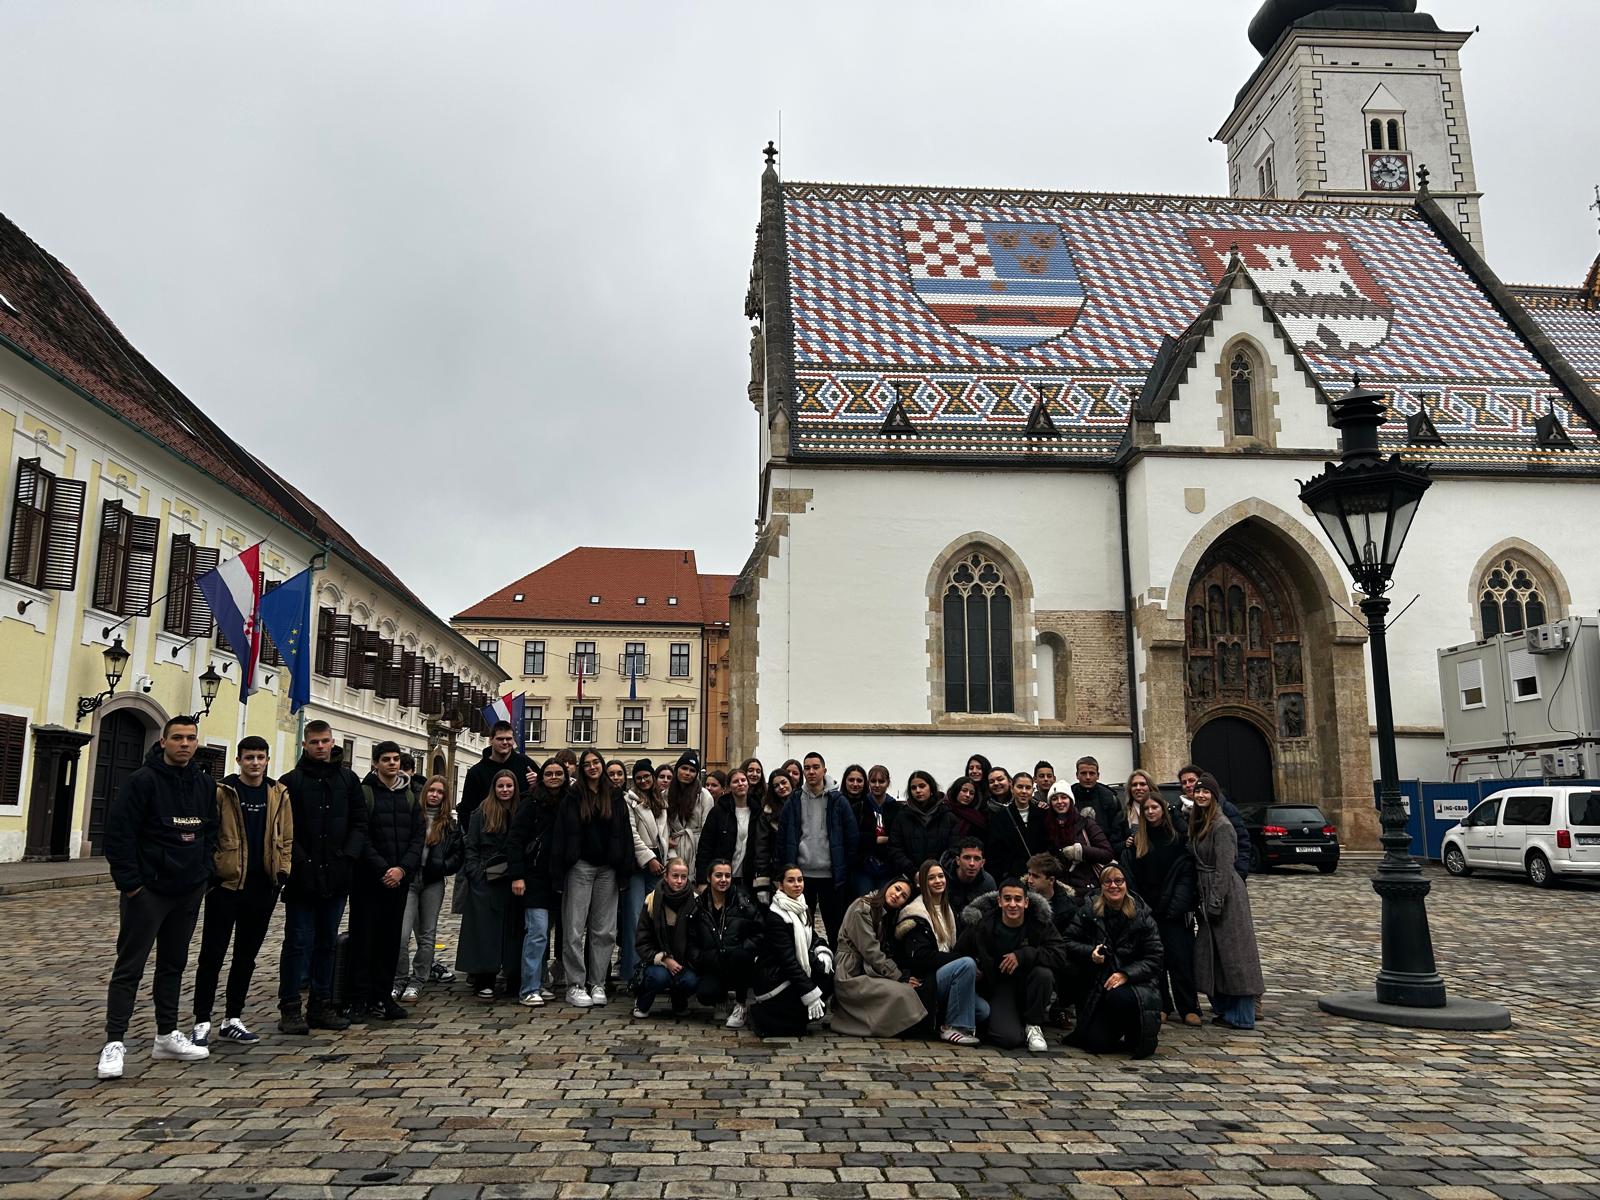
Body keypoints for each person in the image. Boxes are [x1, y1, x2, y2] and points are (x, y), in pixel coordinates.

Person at [98, 716, 219, 1079]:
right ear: (164, 741)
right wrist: (132, 885)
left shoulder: (203, 783)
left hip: (188, 889)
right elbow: (119, 835)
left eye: (191, 738)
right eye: (178, 738)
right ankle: (114, 1042)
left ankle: (166, 1035)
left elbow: (210, 831)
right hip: (148, 891)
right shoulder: (142, 782)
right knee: (129, 967)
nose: (185, 744)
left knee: (173, 964)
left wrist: (204, 875)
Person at [191, 735, 292, 1049]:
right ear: (239, 760)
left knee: (246, 957)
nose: (255, 763)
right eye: (250, 757)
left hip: (263, 886)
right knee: (212, 956)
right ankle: (201, 1020)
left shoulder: (278, 793)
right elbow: (207, 832)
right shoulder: (222, 791)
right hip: (226, 885)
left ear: (267, 759)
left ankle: (233, 1017)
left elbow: (286, 836)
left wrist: (282, 869)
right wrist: (212, 871)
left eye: (261, 757)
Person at [278, 720, 366, 1035]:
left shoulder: (348, 780)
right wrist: (302, 862)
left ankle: (321, 1004)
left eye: (325, 741)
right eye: (314, 742)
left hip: (338, 875)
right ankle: (289, 1007)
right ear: (305, 744)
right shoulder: (290, 782)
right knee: (298, 943)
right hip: (303, 877)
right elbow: (284, 829)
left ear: (332, 743)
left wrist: (348, 856)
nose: (320, 746)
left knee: (327, 943)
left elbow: (359, 822)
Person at [344, 742, 424, 1022]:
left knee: (390, 942)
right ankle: (358, 999)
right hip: (368, 881)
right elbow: (360, 835)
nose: (392, 764)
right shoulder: (364, 793)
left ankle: (383, 996)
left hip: (399, 881)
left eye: (396, 760)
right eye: (386, 759)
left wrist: (402, 869)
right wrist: (383, 869)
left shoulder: (411, 796)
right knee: (363, 940)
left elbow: (418, 836)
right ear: (376, 763)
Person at [552, 749, 633, 1007]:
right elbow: (561, 834)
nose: (592, 767)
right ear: (580, 769)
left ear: (602, 764)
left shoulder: (616, 796)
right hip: (580, 867)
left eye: (595, 762)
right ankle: (575, 984)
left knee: (604, 930)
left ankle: (597, 982)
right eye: (586, 764)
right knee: (574, 929)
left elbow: (626, 834)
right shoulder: (573, 797)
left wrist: (624, 870)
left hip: (608, 869)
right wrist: (561, 867)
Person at [954, 878, 1067, 1052]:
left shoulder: (1039, 923)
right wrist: (975, 967)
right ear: (999, 901)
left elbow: (1059, 955)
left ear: (1026, 902)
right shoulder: (983, 925)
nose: (1012, 904)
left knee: (1044, 974)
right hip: (999, 987)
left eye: (1018, 899)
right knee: (1008, 1039)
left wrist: (1024, 955)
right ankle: (1012, 1024)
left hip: (1030, 983)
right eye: (1007, 899)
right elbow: (960, 953)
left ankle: (1033, 1024)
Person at [1061, 865, 1163, 1057]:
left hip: (1135, 985)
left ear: (1126, 884)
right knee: (1096, 1044)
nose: (1113, 886)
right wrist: (1090, 952)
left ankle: (1134, 1029)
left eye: (1119, 881)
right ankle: (1110, 1029)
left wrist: (1126, 974)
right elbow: (1066, 942)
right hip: (1099, 985)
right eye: (1108, 881)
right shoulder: (1088, 912)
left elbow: (1155, 957)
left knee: (1119, 996)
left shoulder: (1143, 916)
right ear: (1101, 886)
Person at [1190, 773, 1265, 1029]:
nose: (1200, 795)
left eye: (1205, 792)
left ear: (1214, 796)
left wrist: (1215, 900)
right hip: (1208, 890)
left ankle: (1242, 1015)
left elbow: (1224, 867)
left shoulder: (1222, 825)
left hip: (1225, 895)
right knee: (1214, 955)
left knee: (1235, 956)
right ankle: (1225, 1008)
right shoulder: (1201, 821)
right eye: (1197, 791)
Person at [1123, 787, 1200, 1026]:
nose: (1150, 811)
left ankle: (1188, 1006)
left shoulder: (1176, 838)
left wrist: (1177, 905)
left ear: (1163, 809)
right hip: (1148, 908)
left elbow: (1186, 874)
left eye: (1155, 807)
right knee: (1156, 961)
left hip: (1173, 910)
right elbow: (1131, 875)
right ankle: (1163, 1004)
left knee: (1180, 959)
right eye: (1146, 809)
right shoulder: (1138, 841)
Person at [892, 860, 982, 1045]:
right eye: (931, 878)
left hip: (948, 976)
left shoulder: (948, 910)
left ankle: (941, 1017)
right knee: (966, 964)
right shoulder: (915, 914)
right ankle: (953, 1027)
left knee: (983, 1010)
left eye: (940, 876)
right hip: (927, 980)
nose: (938, 881)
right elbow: (921, 958)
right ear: (923, 884)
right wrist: (959, 960)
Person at [777, 751, 858, 945]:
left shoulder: (838, 801)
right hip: (802, 876)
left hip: (831, 876)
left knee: (835, 927)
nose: (811, 772)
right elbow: (783, 838)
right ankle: (809, 966)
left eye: (815, 767)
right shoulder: (794, 800)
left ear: (824, 770)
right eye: (807, 768)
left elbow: (851, 837)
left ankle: (837, 968)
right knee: (803, 927)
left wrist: (844, 867)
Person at [394, 775, 463, 1003]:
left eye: (440, 792)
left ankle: (418, 981)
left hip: (433, 882)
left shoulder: (450, 824)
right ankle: (399, 979)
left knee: (427, 935)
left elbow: (457, 854)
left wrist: (443, 867)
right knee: (402, 935)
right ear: (425, 792)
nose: (435, 795)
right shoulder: (412, 817)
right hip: (410, 880)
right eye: (431, 790)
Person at [830, 880, 928, 1039]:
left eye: (903, 896)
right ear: (887, 886)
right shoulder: (861, 909)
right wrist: (898, 976)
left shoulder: (884, 914)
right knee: (902, 992)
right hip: (850, 973)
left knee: (906, 991)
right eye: (897, 889)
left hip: (868, 968)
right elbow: (871, 951)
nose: (897, 895)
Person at [457, 770, 522, 999]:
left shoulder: (520, 811)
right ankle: (485, 978)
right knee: (485, 932)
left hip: (513, 878)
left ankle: (513, 977)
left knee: (512, 931)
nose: (505, 790)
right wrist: (476, 873)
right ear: (494, 789)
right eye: (500, 786)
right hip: (485, 879)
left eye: (509, 786)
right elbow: (471, 846)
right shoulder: (481, 813)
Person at [748, 866, 834, 1037]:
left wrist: (821, 949)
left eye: (800, 880)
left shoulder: (800, 905)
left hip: (789, 973)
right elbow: (788, 962)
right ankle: (765, 1015)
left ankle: (793, 1017)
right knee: (798, 1024)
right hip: (773, 978)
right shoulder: (777, 916)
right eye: (791, 880)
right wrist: (810, 993)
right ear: (780, 886)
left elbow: (813, 934)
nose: (797, 884)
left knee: (828, 973)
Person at [510, 757, 567, 1007]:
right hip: (534, 876)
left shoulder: (570, 802)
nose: (554, 777)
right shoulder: (530, 803)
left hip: (561, 877)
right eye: (549, 773)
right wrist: (517, 875)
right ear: (542, 777)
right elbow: (515, 840)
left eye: (558, 773)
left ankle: (542, 981)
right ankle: (528, 988)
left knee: (549, 934)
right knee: (537, 933)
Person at [687, 858, 762, 1027]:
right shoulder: (698, 906)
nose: (723, 880)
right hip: (712, 962)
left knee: (741, 957)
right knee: (705, 994)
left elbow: (760, 931)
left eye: (727, 876)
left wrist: (744, 949)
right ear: (709, 878)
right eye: (718, 875)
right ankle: (720, 998)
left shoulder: (743, 902)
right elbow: (691, 941)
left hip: (737, 960)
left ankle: (741, 1005)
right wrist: (702, 958)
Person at [630, 858, 701, 1018]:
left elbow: (698, 939)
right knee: (659, 977)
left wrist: (686, 961)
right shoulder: (652, 900)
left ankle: (679, 1001)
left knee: (690, 980)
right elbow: (642, 941)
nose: (679, 881)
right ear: (666, 877)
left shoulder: (696, 901)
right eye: (675, 876)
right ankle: (642, 1002)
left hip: (684, 960)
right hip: (658, 960)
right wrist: (664, 959)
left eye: (683, 877)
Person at [621, 758, 669, 990]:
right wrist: (649, 858)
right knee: (635, 920)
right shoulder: (629, 801)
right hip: (639, 864)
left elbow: (665, 832)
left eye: (646, 777)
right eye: (639, 778)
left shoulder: (660, 800)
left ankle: (654, 969)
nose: (643, 781)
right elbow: (631, 834)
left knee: (655, 919)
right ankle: (633, 973)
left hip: (660, 862)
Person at [1030, 782, 1114, 896]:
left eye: (1064, 797)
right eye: (1054, 799)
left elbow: (1107, 854)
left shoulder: (1086, 823)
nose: (1059, 802)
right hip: (1059, 890)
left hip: (1087, 889)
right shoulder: (1046, 826)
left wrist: (1080, 851)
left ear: (1071, 800)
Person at [1177, 764, 1252, 879]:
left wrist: (1239, 873)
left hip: (1222, 876)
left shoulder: (1225, 808)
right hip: (1195, 877)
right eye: (1184, 782)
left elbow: (1241, 841)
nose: (1188, 785)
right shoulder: (1179, 811)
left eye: (1192, 780)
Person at [695, 767, 761, 891]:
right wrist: (702, 880)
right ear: (729, 787)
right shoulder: (718, 812)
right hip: (722, 877)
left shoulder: (757, 811)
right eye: (736, 781)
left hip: (749, 878)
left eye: (743, 780)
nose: (740, 784)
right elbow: (705, 847)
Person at [886, 770, 954, 879]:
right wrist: (913, 872)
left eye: (922, 786)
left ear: (931, 788)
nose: (918, 791)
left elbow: (953, 848)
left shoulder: (947, 816)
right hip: (910, 876)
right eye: (913, 788)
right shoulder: (902, 816)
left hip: (941, 877)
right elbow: (895, 848)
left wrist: (937, 871)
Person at [845, 764, 896, 900]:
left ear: (888, 783)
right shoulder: (859, 807)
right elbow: (855, 837)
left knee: (884, 905)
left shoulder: (896, 808)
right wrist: (877, 839)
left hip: (887, 867)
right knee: (864, 906)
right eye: (873, 781)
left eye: (881, 781)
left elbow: (897, 837)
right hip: (864, 867)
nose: (877, 785)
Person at [664, 751, 715, 880]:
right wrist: (667, 842)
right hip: (673, 846)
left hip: (696, 846)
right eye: (684, 768)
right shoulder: (665, 794)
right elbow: (662, 824)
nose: (687, 773)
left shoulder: (704, 796)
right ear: (677, 770)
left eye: (692, 770)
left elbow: (708, 830)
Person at [752, 769, 795, 903]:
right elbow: (762, 848)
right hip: (778, 871)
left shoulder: (801, 804)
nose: (781, 787)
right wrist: (762, 882)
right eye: (776, 786)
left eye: (783, 783)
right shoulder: (767, 812)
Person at [984, 767, 1031, 882]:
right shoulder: (993, 814)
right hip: (1009, 875)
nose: (1023, 791)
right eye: (992, 781)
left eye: (1028, 788)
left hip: (1034, 872)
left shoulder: (1039, 811)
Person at [1071, 757, 1126, 849]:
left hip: (1105, 851)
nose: (1088, 777)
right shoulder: (1068, 797)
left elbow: (1117, 833)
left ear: (1098, 775)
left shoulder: (1110, 799)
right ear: (1077, 775)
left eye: (1092, 773)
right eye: (1083, 773)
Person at [945, 839, 996, 916]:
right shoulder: (943, 879)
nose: (972, 863)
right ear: (958, 860)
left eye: (977, 858)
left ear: (982, 863)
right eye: (967, 857)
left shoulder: (988, 882)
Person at [945, 777, 989, 847]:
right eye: (964, 790)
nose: (968, 795)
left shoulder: (976, 817)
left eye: (972, 793)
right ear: (956, 790)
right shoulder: (943, 810)